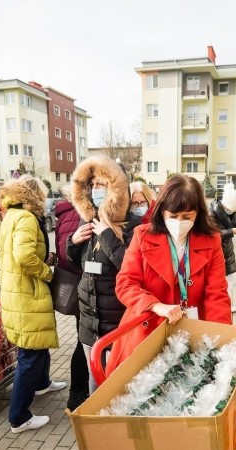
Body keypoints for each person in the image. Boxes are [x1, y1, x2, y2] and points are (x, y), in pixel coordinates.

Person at [108, 174, 232, 372]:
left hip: (191, 333)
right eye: (173, 216)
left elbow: (216, 296)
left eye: (187, 217)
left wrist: (222, 342)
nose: (179, 222)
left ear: (198, 214)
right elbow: (125, 283)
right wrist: (156, 305)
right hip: (146, 331)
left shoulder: (211, 240)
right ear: (162, 211)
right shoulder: (143, 235)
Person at [68, 155, 140, 391]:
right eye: (93, 185)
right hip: (89, 321)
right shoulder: (88, 219)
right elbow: (79, 264)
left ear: (115, 188)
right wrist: (73, 242)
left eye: (101, 184)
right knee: (94, 380)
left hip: (118, 322)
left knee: (118, 384)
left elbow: (130, 266)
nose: (96, 190)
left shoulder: (132, 226)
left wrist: (108, 236)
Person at [0, 176, 64, 434]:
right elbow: (24, 255)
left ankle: (42, 383)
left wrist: (43, 257)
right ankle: (19, 417)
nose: (46, 200)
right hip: (27, 292)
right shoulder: (25, 218)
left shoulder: (12, 215)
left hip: (18, 290)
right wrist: (47, 271)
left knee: (37, 344)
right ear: (33, 195)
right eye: (43, 195)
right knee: (30, 353)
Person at [54, 185, 91, 411]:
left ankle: (78, 394)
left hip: (84, 287)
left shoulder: (66, 213)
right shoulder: (74, 215)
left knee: (83, 341)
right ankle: (77, 396)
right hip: (82, 287)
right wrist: (75, 243)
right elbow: (66, 256)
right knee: (83, 342)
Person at [209, 183, 236, 312]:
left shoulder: (232, 211)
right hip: (216, 251)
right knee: (218, 281)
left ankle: (227, 304)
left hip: (227, 249)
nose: (231, 212)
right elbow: (212, 234)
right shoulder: (211, 212)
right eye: (229, 209)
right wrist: (232, 231)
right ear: (223, 204)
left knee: (230, 280)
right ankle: (220, 306)